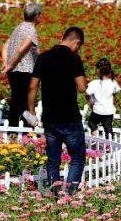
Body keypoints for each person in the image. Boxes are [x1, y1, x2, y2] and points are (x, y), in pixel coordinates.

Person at [28, 27, 87, 195]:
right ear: (76, 42)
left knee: (53, 159)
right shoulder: (74, 58)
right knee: (77, 157)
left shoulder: (43, 57)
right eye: (79, 46)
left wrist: (32, 112)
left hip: (50, 118)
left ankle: (55, 193)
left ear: (62, 37)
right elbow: (82, 88)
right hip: (70, 118)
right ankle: (70, 192)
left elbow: (33, 86)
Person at [2, 2, 42, 127]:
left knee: (16, 99)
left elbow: (5, 46)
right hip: (25, 70)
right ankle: (22, 130)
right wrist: (10, 64)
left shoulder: (18, 28)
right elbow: (22, 49)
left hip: (14, 70)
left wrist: (6, 63)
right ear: (36, 16)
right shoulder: (31, 30)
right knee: (23, 101)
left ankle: (14, 130)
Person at [85, 57, 121, 137]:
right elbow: (115, 94)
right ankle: (109, 144)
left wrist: (91, 102)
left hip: (97, 109)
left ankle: (96, 135)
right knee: (108, 128)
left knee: (91, 123)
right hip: (109, 110)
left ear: (98, 71)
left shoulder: (94, 83)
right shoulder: (113, 83)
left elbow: (87, 94)